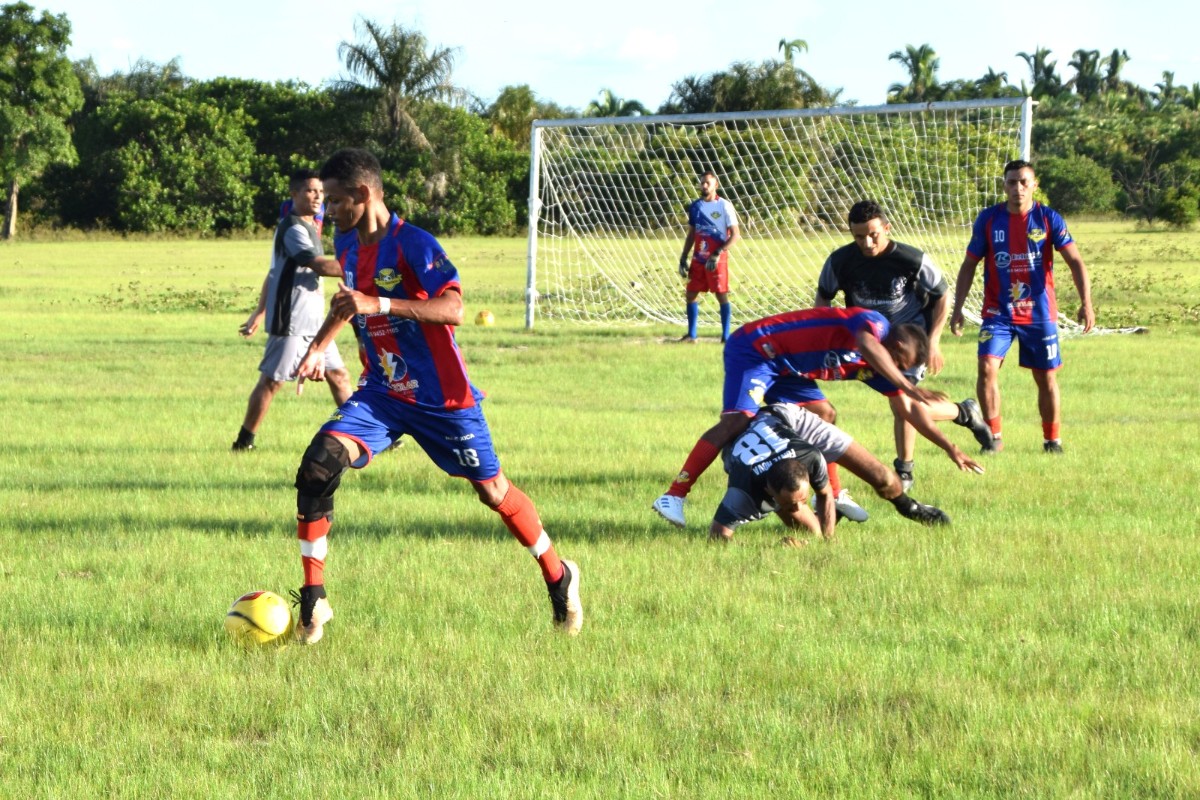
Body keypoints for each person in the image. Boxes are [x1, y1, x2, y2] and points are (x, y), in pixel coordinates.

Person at [288, 148, 582, 643]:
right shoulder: (351, 246)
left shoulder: (415, 244)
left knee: (493, 493)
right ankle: (314, 604)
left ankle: (559, 574)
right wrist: (318, 348)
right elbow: (348, 302)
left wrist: (379, 301)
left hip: (444, 400)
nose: (327, 210)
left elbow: (454, 308)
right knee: (318, 465)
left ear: (363, 194)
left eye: (336, 201)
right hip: (383, 393)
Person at [652, 306, 984, 529]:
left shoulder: (877, 369)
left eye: (901, 366)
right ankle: (675, 494)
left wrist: (949, 446)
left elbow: (910, 411)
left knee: (824, 413)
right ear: (892, 342)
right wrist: (907, 385)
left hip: (787, 368)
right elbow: (868, 344)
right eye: (897, 358)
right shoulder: (874, 325)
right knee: (737, 420)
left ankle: (834, 495)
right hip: (757, 348)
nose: (896, 367)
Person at [815, 200, 993, 489]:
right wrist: (824, 332)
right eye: (859, 236)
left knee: (902, 405)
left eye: (873, 234)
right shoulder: (840, 261)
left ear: (887, 228)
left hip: (909, 341)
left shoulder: (911, 259)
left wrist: (933, 341)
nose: (868, 242)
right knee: (904, 404)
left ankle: (904, 471)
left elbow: (941, 295)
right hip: (870, 342)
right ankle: (963, 412)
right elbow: (823, 297)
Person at [950, 159, 1095, 454]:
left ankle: (1052, 441)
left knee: (1046, 377)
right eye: (1012, 182)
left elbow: (1076, 261)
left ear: (1034, 185)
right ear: (1004, 185)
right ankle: (993, 438)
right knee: (986, 368)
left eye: (1024, 182)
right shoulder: (988, 220)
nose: (1018, 188)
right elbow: (968, 265)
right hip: (997, 312)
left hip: (1038, 313)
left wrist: (1086, 303)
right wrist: (957, 309)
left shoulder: (1049, 218)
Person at [232, 169, 352, 451]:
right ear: (294, 194)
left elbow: (273, 273)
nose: (318, 196)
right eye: (311, 191)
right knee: (272, 382)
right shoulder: (294, 228)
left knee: (339, 375)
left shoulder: (312, 226)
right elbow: (320, 265)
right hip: (291, 320)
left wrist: (258, 312)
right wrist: (363, 267)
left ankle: (360, 433)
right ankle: (244, 442)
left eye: (321, 192)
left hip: (316, 321)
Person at [710, 403, 949, 542]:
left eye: (800, 501)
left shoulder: (812, 457)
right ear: (769, 492)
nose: (797, 507)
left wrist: (828, 543)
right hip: (737, 444)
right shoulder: (742, 492)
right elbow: (717, 538)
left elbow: (825, 493)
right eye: (788, 504)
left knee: (816, 534)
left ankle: (909, 506)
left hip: (780, 417)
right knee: (804, 528)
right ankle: (794, 514)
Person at [677, 170, 740, 343]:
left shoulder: (724, 206)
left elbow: (735, 235)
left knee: (721, 295)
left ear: (715, 185)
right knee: (690, 294)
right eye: (702, 182)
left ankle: (726, 337)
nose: (704, 186)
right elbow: (692, 234)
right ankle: (692, 335)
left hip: (716, 260)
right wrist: (684, 256)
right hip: (698, 258)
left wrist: (718, 253)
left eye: (708, 183)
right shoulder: (695, 206)